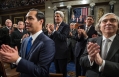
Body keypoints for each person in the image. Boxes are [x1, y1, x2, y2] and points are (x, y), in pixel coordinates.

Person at [0, 8, 55, 77]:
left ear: (41, 21)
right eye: (26, 19)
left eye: (30, 18)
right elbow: (22, 60)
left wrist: (17, 59)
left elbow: (42, 72)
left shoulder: (48, 43)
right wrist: (11, 58)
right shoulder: (25, 40)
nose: (26, 21)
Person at [80, 13, 119, 77]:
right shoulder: (91, 41)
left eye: (112, 20)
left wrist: (102, 63)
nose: (108, 23)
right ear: (99, 27)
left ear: (118, 26)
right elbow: (81, 61)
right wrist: (90, 58)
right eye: (105, 21)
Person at [47, 11, 70, 77]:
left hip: (62, 52)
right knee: (57, 71)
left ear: (62, 17)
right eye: (55, 16)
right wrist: (49, 32)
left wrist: (54, 31)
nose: (56, 18)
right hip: (54, 52)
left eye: (58, 16)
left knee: (62, 71)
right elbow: (51, 38)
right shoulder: (54, 26)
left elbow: (63, 37)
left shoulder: (66, 26)